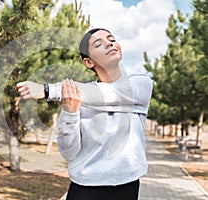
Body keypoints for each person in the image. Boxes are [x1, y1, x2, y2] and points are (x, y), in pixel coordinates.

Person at [16, 28, 153, 200]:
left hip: (127, 187)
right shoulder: (77, 97)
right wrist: (70, 113)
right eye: (98, 44)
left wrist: (47, 90)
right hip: (84, 189)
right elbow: (70, 153)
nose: (109, 43)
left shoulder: (141, 83)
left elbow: (107, 94)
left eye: (111, 39)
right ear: (89, 62)